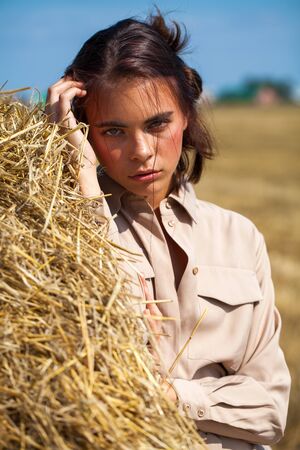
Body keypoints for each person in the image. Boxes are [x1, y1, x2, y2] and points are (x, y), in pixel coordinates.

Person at [46, 11, 291, 450]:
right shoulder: (62, 234)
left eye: (157, 124)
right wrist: (82, 182)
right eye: (113, 130)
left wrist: (168, 395)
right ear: (84, 133)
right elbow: (96, 380)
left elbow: (270, 412)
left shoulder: (239, 236)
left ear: (186, 116)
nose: (141, 152)